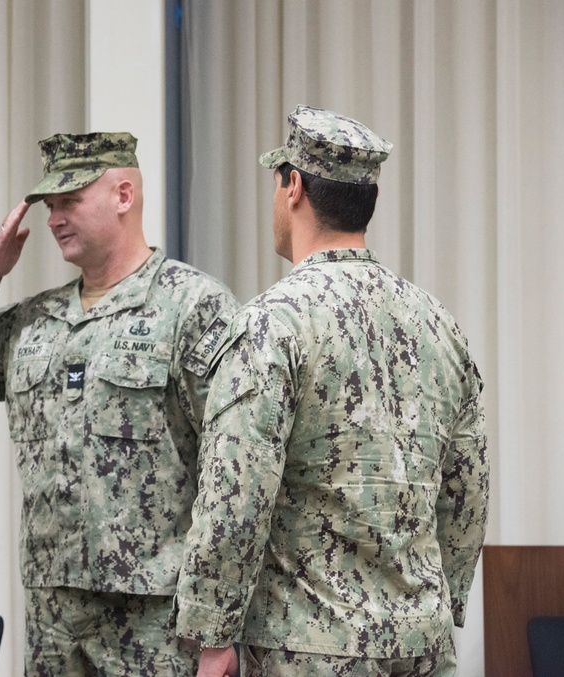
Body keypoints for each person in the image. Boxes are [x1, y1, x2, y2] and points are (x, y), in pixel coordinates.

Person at [175, 106, 490, 676]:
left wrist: (212, 630)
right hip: (422, 643)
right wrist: (440, 603)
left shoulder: (271, 326)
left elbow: (236, 492)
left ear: (293, 186)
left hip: (311, 648)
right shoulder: (438, 324)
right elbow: (467, 492)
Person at [0, 132, 240, 675]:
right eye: (49, 206)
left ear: (123, 195)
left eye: (69, 201)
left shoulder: (193, 307)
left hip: (156, 619)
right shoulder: (35, 322)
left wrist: (221, 626)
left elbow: (236, 471)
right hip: (53, 619)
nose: (53, 218)